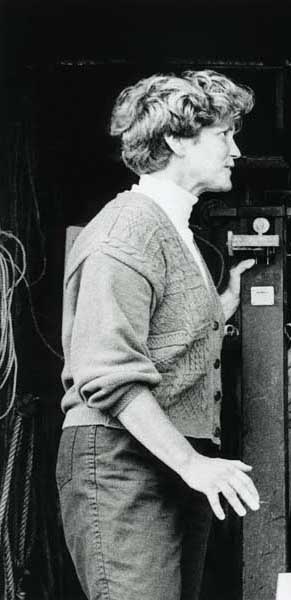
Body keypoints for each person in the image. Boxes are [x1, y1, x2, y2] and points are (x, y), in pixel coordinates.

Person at [56, 70, 261, 600]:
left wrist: (217, 309)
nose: (235, 150)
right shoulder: (127, 231)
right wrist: (193, 465)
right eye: (223, 136)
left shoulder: (172, 228)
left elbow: (153, 336)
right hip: (123, 461)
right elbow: (107, 373)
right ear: (175, 139)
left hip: (164, 459)